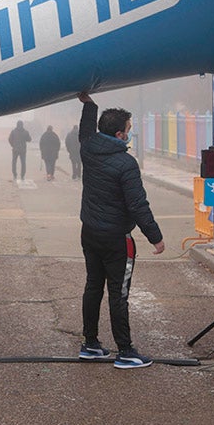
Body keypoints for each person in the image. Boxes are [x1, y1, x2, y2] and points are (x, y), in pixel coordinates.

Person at [76, 93, 164, 369]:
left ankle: (90, 344)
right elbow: (138, 205)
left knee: (93, 286)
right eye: (128, 130)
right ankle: (125, 351)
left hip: (89, 233)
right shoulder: (126, 164)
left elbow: (86, 130)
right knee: (119, 292)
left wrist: (89, 106)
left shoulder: (88, 148)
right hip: (117, 239)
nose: (130, 134)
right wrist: (155, 236)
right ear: (118, 134)